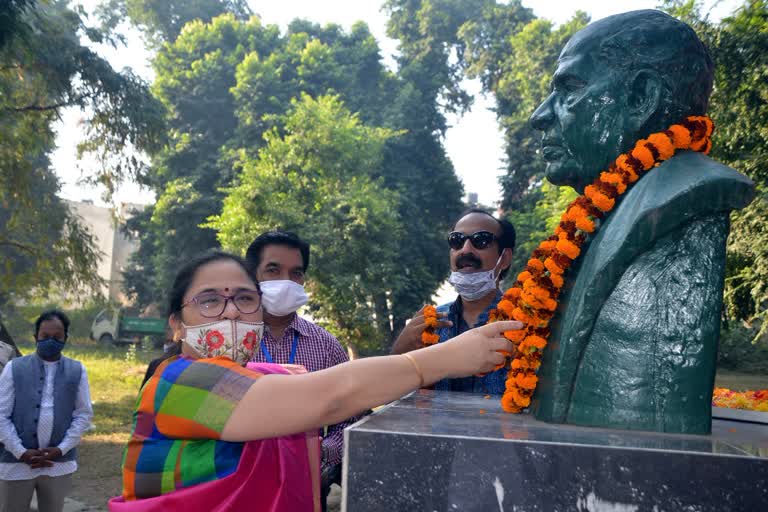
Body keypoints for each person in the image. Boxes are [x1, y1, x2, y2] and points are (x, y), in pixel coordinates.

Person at [110, 250, 521, 511]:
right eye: (210, 300)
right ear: (177, 325)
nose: (232, 313)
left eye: (245, 298)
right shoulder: (179, 382)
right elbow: (333, 396)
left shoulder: (265, 378)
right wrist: (444, 358)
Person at [527, 10, 754, 433]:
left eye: (569, 88)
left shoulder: (687, 195)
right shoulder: (599, 215)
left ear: (640, 98)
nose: (540, 115)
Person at [244, 230, 352, 510]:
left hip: (307, 486)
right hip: (238, 481)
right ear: (251, 275)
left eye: (296, 273)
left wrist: (320, 453)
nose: (287, 281)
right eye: (273, 270)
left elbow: (351, 413)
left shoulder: (326, 346)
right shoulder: (231, 341)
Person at [391, 208, 515, 395]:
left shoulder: (525, 323)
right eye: (456, 240)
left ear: (504, 258)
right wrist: (400, 350)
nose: (465, 249)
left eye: (481, 240)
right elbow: (391, 392)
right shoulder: (429, 325)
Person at [0, 310, 93, 512]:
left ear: (65, 339)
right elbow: (1, 414)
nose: (50, 341)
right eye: (45, 336)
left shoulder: (77, 370)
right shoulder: (14, 368)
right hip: (15, 463)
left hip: (58, 463)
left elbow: (83, 414)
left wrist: (61, 449)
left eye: (57, 337)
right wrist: (20, 451)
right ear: (36, 337)